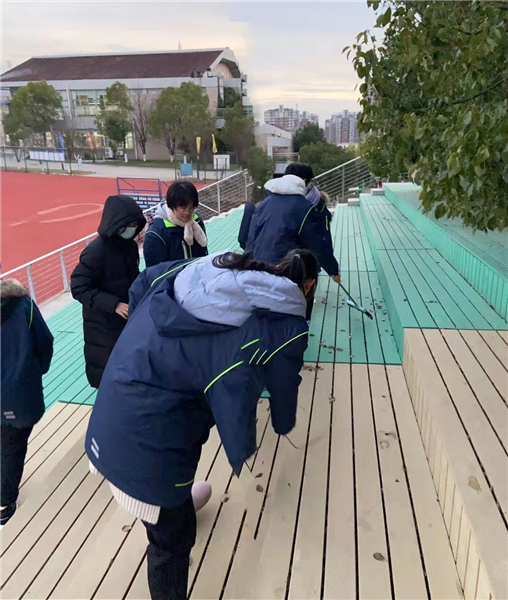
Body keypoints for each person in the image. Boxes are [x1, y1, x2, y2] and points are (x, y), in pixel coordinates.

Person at [85, 249, 318, 600]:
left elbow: (142, 283)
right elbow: (245, 398)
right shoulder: (274, 325)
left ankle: (176, 500)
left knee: (166, 494)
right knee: (171, 540)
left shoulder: (204, 268)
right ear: (308, 286)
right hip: (143, 447)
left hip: (114, 399)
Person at [71, 195, 146, 388]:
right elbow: (79, 287)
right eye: (128, 225)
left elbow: (131, 275)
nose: (132, 229)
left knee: (127, 368)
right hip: (102, 324)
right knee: (108, 373)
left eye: (134, 225)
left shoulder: (129, 246)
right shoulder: (96, 251)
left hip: (125, 318)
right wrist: (114, 304)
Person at [1, 279, 54, 527]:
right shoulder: (23, 305)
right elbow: (45, 342)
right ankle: (4, 504)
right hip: (18, 395)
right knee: (12, 447)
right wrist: (33, 372)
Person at [245, 162, 340, 283]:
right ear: (304, 181)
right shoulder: (305, 208)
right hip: (285, 271)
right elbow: (316, 245)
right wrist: (333, 271)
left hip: (258, 269)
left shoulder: (265, 202)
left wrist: (248, 265)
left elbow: (251, 238)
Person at [143, 181, 208, 267]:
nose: (187, 212)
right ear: (171, 206)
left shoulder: (197, 222)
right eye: (183, 208)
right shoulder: (156, 234)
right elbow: (156, 271)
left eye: (191, 208)